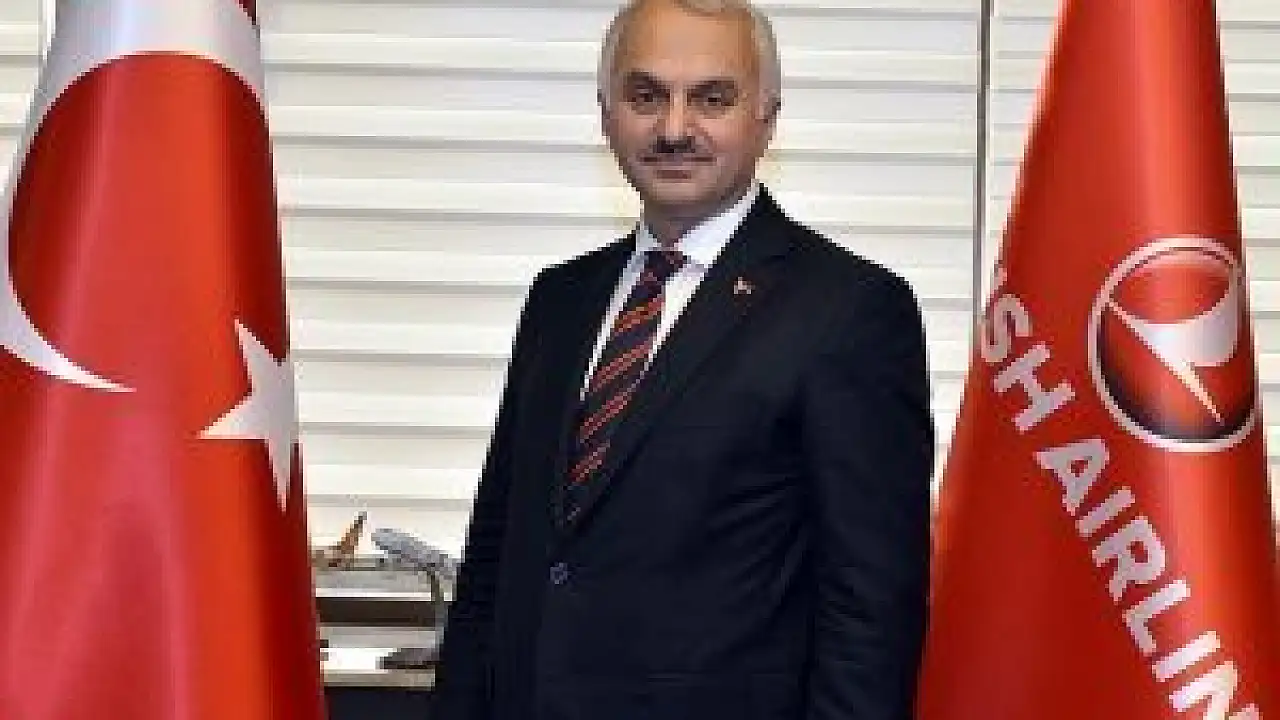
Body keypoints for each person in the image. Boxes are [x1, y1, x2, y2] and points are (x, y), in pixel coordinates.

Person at [431, 1, 933, 717]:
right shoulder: (559, 300)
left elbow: (870, 614)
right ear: (606, 114)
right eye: (646, 96)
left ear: (766, 116)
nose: (673, 128)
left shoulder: (850, 311)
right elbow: (495, 559)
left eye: (712, 99)